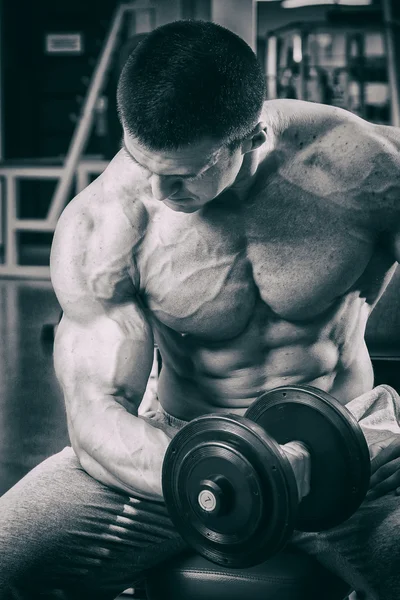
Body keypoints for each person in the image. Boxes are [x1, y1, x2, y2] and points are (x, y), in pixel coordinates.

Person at [1, 19, 400, 599]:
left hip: (352, 450)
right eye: (143, 162)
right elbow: (94, 417)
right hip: (181, 454)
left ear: (251, 138)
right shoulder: (108, 220)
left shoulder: (370, 172)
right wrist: (227, 467)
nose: (159, 193)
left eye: (183, 175)